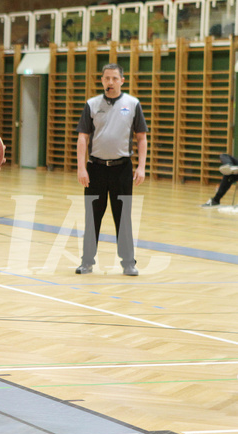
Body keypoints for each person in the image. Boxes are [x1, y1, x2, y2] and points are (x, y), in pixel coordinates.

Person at [75, 63, 147, 276]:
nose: (110, 82)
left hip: (122, 169)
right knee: (92, 216)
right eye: (107, 78)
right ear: (102, 80)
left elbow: (141, 138)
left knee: (123, 216)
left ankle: (128, 263)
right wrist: (81, 168)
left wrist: (142, 167)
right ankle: (87, 261)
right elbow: (82, 138)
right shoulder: (92, 104)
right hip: (95, 168)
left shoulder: (132, 104)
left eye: (115, 78)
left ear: (122, 81)